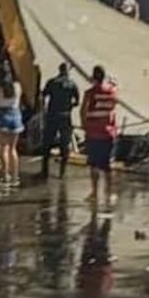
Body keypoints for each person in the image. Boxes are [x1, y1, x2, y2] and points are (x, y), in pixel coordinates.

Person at [81, 65, 118, 204]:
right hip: (108, 132)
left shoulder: (90, 93)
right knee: (108, 165)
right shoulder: (111, 93)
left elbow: (83, 110)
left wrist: (85, 125)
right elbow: (114, 100)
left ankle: (95, 192)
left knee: (94, 165)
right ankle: (109, 193)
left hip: (93, 132)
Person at [40, 63, 80, 180]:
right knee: (64, 143)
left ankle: (45, 170)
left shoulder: (52, 82)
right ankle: (62, 172)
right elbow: (77, 101)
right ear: (67, 71)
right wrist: (69, 106)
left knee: (47, 142)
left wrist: (44, 109)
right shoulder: (72, 84)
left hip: (52, 115)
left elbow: (43, 96)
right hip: (65, 116)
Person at [0, 63, 23, 187]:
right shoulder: (17, 86)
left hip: (2, 115)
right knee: (13, 148)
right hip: (15, 115)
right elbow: (19, 100)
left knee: (3, 148)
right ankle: (15, 176)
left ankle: (5, 176)